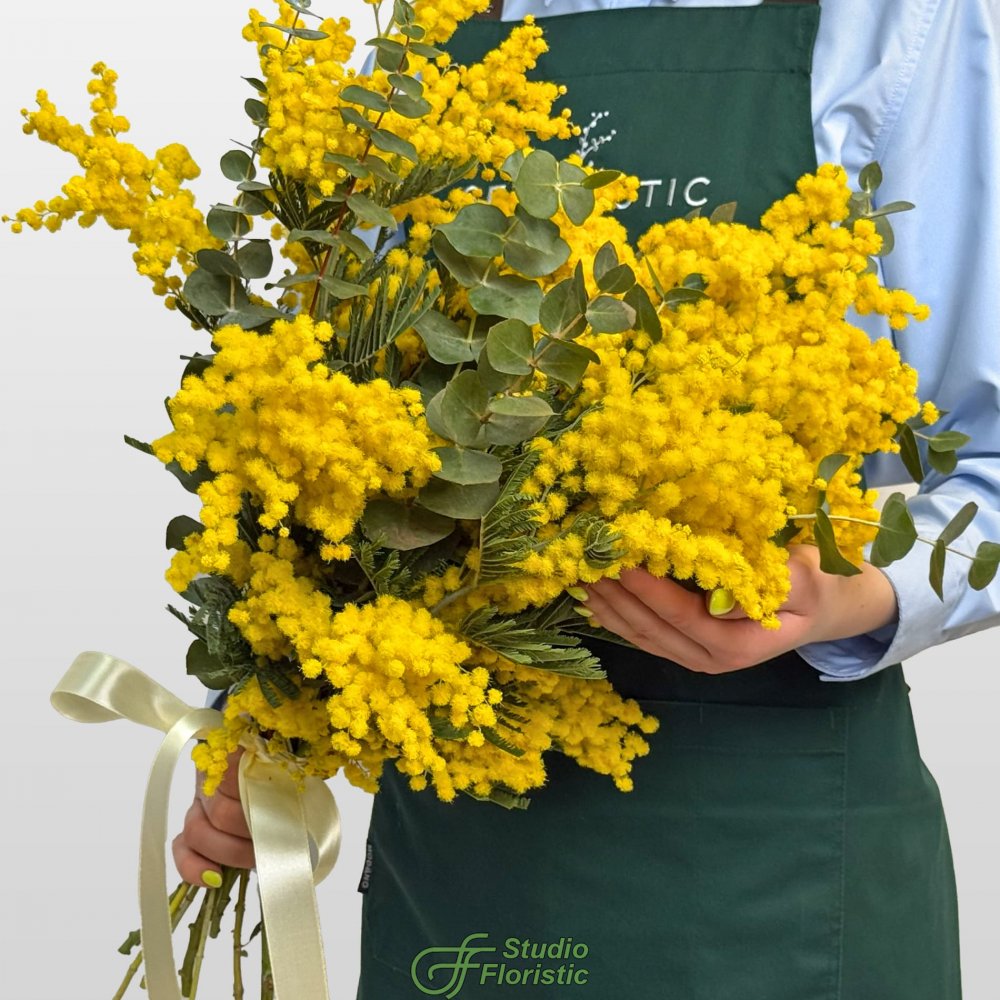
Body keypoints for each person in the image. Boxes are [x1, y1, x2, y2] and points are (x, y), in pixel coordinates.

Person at [173, 1, 1000, 997]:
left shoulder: (905, 27)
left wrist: (854, 596)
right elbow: (331, 422)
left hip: (776, 876)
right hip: (460, 866)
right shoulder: (435, 33)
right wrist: (265, 721)